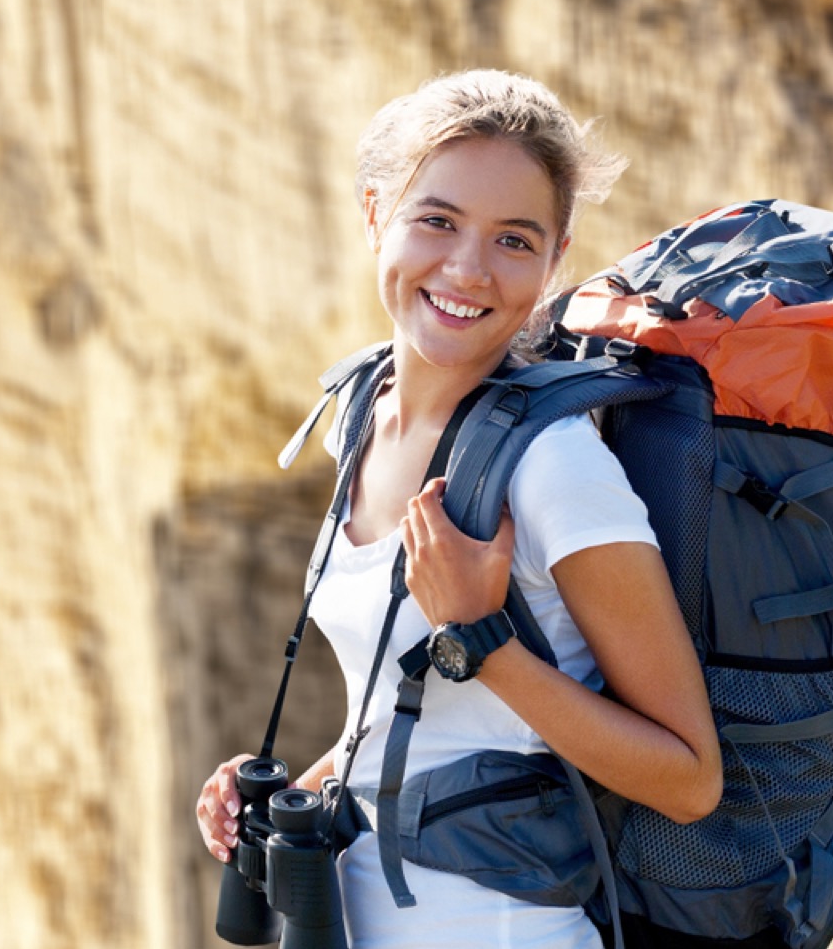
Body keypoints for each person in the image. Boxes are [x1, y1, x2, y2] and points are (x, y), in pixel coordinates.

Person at [195, 69, 723, 948]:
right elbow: (426, 717)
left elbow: (689, 777)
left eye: (515, 240)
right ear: (374, 216)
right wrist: (304, 786)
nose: (467, 269)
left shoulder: (555, 466)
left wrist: (484, 639)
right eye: (436, 220)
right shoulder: (359, 414)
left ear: (554, 263)